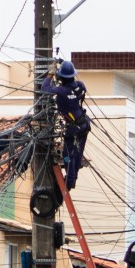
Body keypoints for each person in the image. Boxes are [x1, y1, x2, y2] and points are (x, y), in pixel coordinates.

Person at [39, 60, 92, 190]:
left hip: (73, 128)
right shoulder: (80, 85)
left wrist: (50, 75)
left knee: (68, 156)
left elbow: (44, 89)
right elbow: (76, 89)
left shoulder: (62, 91)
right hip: (84, 124)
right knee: (78, 154)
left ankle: (69, 182)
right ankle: (73, 179)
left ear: (61, 77)